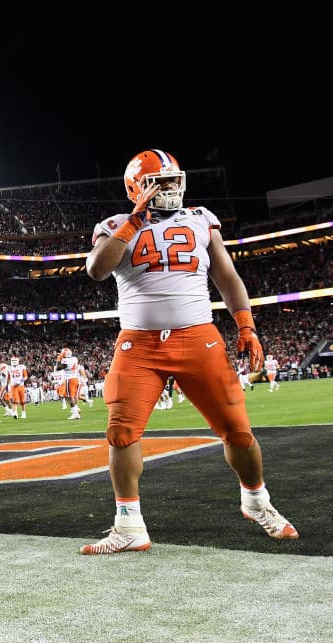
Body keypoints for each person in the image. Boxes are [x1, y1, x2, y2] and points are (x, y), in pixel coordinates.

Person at [81, 148, 298, 554]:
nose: (168, 189)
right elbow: (96, 269)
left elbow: (226, 275)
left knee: (238, 430)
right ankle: (129, 526)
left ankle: (256, 501)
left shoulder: (201, 219)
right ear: (136, 188)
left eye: (172, 180)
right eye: (158, 183)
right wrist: (134, 221)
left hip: (199, 337)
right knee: (121, 431)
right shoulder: (112, 225)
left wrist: (246, 325)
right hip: (138, 344)